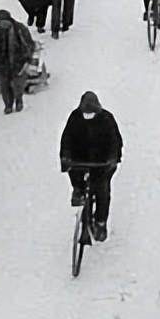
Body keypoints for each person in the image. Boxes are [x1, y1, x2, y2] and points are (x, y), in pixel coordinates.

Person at [59, 91, 123, 241]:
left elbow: (115, 141)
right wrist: (66, 158)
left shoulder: (107, 119)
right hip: (79, 162)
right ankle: (79, 193)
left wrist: (113, 158)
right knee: (77, 180)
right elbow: (66, 140)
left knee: (102, 191)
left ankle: (100, 222)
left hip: (101, 163)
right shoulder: (75, 118)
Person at [0, 9, 35, 114]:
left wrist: (28, 58)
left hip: (18, 62)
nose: (2, 24)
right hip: (2, 63)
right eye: (0, 22)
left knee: (18, 84)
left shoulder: (20, 29)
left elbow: (29, 45)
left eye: (3, 21)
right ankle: (8, 105)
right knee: (4, 86)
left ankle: (19, 101)